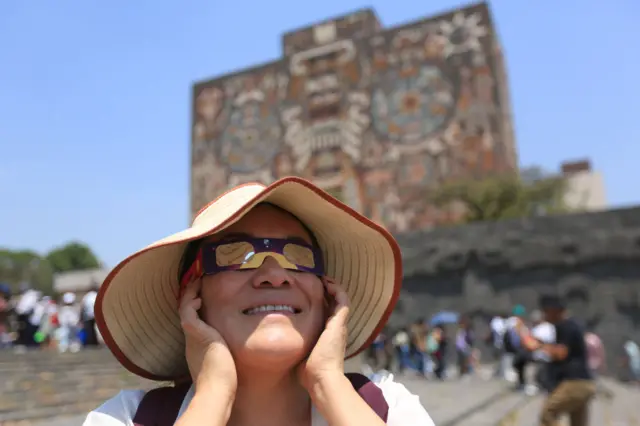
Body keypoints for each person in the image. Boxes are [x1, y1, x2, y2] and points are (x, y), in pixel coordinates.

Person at [83, 177, 434, 426]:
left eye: (297, 255)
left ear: (326, 293)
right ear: (192, 295)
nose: (275, 274)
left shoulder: (387, 407)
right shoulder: (127, 418)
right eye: (236, 253)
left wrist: (328, 380)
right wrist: (214, 394)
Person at [534, 295, 595, 426]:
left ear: (554, 310)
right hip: (585, 384)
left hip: (574, 383)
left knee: (547, 414)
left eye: (546, 311)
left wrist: (539, 346)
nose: (544, 315)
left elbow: (561, 353)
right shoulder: (572, 325)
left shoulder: (565, 326)